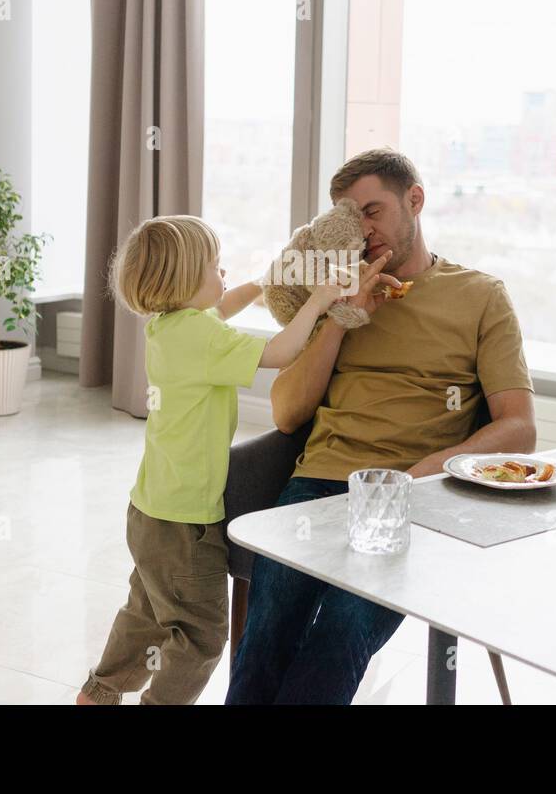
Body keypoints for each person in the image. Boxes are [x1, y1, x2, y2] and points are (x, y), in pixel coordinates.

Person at [226, 148, 537, 704]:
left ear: (414, 200)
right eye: (350, 217)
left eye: (373, 211)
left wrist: (417, 477)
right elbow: (286, 413)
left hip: (409, 497)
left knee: (341, 633)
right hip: (317, 486)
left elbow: (518, 428)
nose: (362, 230)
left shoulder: (479, 296)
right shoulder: (338, 295)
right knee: (269, 631)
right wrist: (343, 317)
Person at [77, 214, 360, 704]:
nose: (223, 273)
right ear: (184, 281)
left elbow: (220, 308)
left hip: (150, 513)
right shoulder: (201, 338)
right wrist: (319, 301)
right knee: (202, 635)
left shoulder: (171, 325)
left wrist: (263, 282)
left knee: (145, 615)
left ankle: (99, 692)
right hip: (186, 524)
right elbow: (279, 352)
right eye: (214, 265)